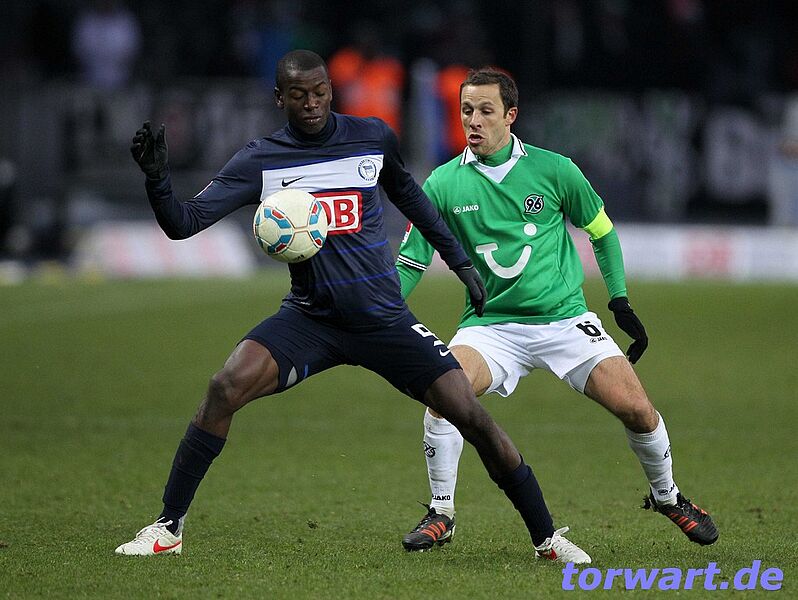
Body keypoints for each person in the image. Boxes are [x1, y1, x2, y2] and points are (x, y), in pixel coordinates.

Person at [115, 50, 590, 564]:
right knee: (224, 386)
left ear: (330, 91)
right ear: (279, 99)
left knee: (470, 416)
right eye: (299, 95)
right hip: (310, 319)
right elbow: (183, 223)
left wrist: (460, 263)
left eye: (320, 92)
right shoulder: (260, 160)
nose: (312, 103)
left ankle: (546, 538)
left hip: (384, 318)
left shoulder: (371, 138)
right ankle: (168, 527)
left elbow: (414, 201)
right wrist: (158, 179)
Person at [396, 68, 718, 552]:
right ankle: (442, 512)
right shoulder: (442, 184)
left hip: (565, 321)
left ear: (511, 115)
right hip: (490, 327)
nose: (474, 121)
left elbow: (601, 231)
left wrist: (619, 298)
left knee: (638, 410)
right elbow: (410, 261)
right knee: (444, 396)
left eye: (486, 111)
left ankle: (667, 496)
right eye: (466, 111)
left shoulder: (555, 170)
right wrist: (379, 310)